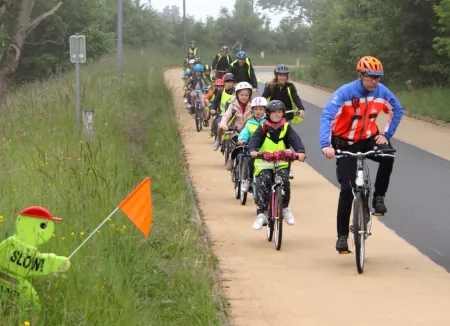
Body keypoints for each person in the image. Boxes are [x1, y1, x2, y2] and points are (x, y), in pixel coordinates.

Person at [319, 56, 404, 252]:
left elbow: (397, 110)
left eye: (377, 77)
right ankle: (342, 237)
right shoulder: (345, 93)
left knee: (388, 155)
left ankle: (378, 198)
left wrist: (386, 134)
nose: (374, 81)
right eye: (370, 77)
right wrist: (326, 144)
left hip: (369, 138)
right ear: (360, 75)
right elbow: (327, 117)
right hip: (345, 142)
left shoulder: (381, 92)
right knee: (347, 190)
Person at [248, 100, 306, 230]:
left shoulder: (286, 127)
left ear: (283, 114)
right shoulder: (263, 127)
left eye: (279, 112)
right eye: (274, 112)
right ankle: (261, 213)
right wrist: (253, 151)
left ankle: (285, 208)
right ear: (268, 114)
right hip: (264, 163)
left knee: (284, 180)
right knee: (265, 181)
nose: (277, 114)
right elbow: (254, 140)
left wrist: (300, 152)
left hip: (281, 162)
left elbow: (295, 140)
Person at [262, 64, 306, 179]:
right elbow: (263, 98)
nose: (282, 77)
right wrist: (261, 108)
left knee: (286, 141)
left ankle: (287, 168)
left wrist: (301, 109)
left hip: (286, 117)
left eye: (284, 76)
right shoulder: (270, 86)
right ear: (276, 76)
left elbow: (296, 98)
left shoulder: (290, 87)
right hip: (272, 116)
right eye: (280, 75)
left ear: (287, 76)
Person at [218, 82, 253, 170]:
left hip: (251, 132)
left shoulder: (253, 106)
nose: (244, 97)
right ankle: (231, 159)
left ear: (250, 96)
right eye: (242, 95)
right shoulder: (232, 106)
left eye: (246, 95)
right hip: (236, 133)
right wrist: (224, 125)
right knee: (238, 147)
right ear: (237, 95)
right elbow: (226, 116)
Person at [237, 96, 267, 192]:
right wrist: (241, 139)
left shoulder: (268, 122)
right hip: (252, 148)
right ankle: (249, 179)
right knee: (251, 162)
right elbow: (244, 133)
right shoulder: (249, 123)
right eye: (256, 109)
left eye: (261, 109)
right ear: (252, 110)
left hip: (265, 148)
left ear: (265, 110)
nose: (258, 111)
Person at [211, 73, 236, 151]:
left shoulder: (236, 93)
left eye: (230, 82)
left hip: (234, 115)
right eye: (227, 82)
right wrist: (213, 109)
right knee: (219, 125)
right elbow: (214, 101)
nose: (228, 84)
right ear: (224, 83)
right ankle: (218, 140)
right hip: (222, 115)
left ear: (233, 83)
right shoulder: (220, 91)